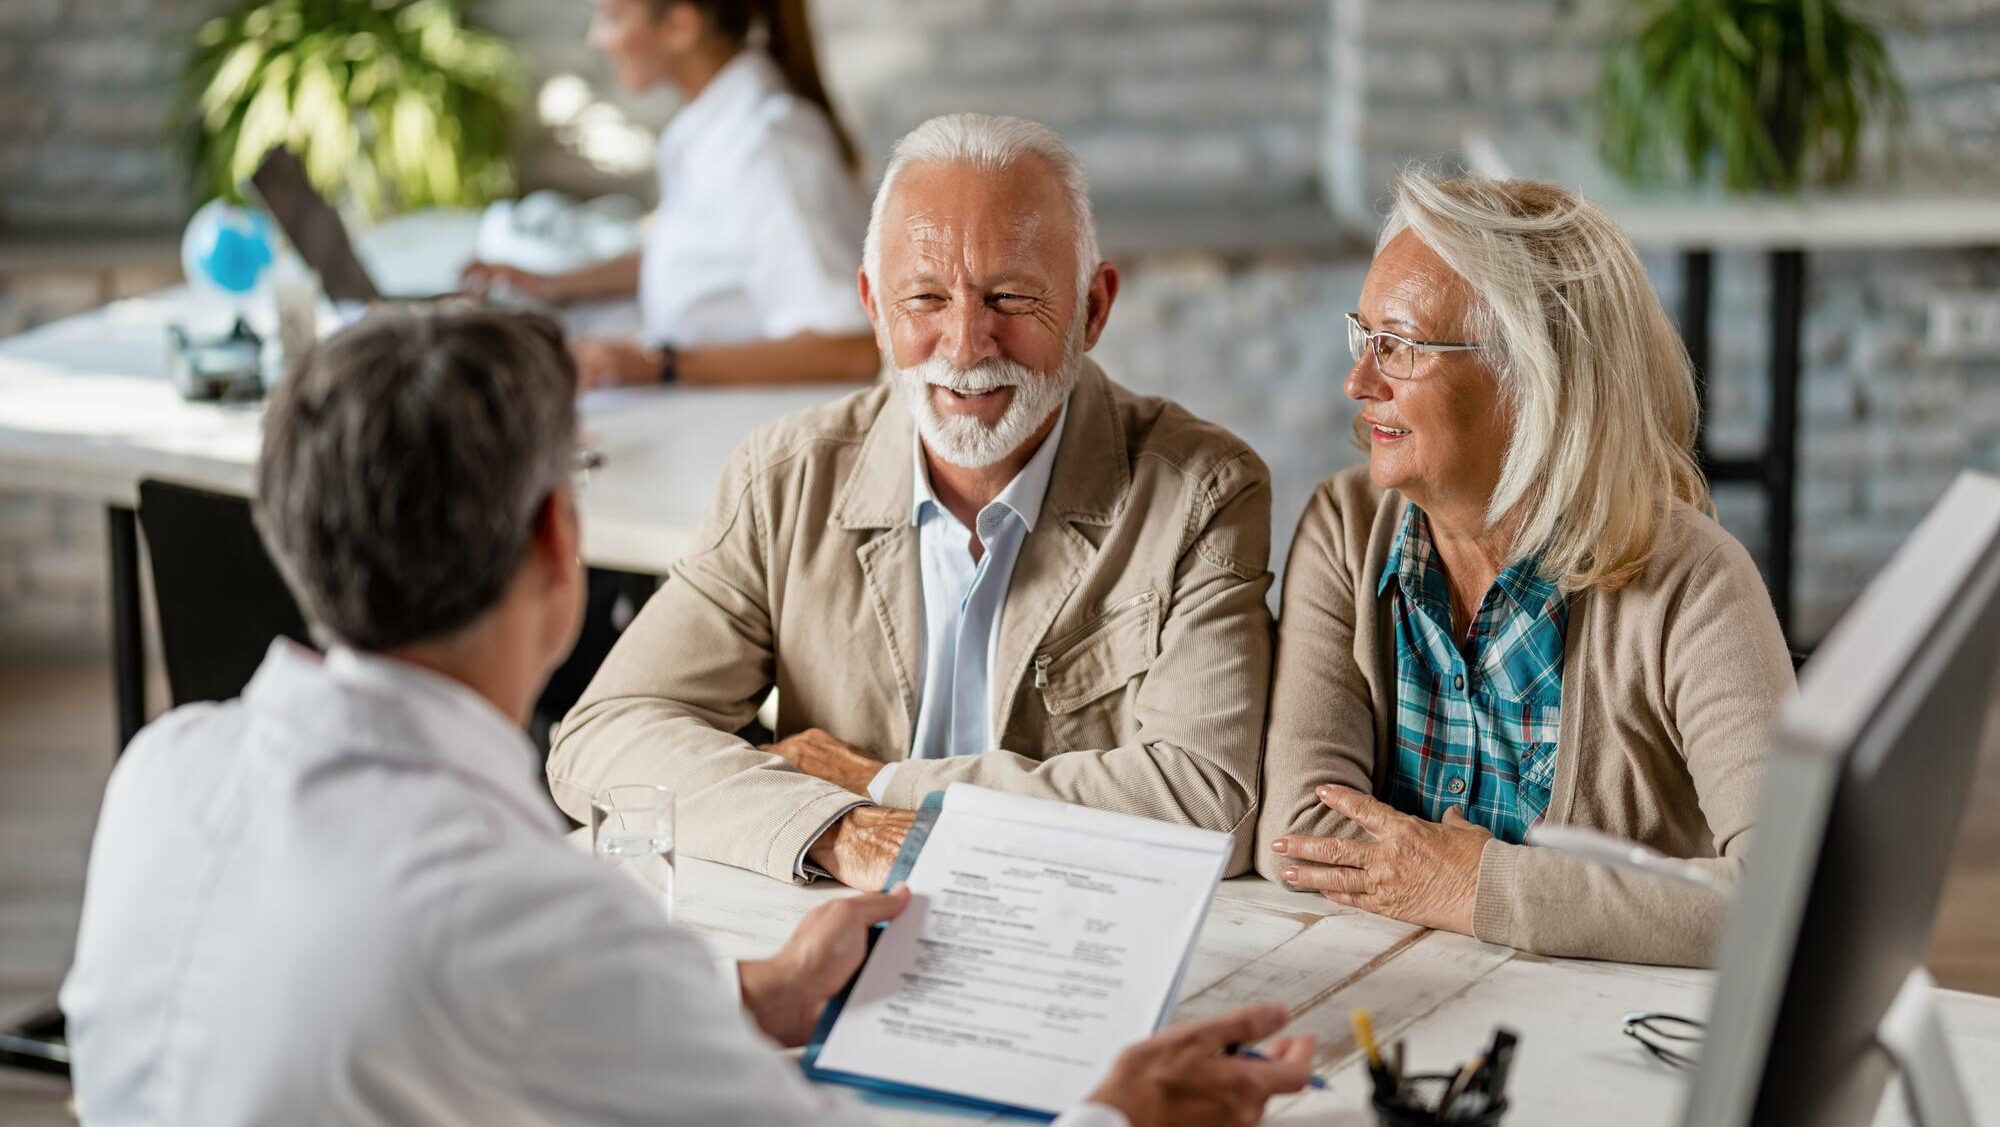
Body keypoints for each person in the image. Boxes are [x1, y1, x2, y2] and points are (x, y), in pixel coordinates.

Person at [58, 306, 1312, 1126]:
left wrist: (749, 997)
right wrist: (1114, 1113)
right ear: (560, 539)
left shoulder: (165, 772)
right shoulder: (524, 911)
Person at [547, 113, 1276, 890]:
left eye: (1011, 297)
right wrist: (840, 832)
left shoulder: (1205, 492)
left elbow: (1208, 808)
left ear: (1094, 309)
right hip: (834, 928)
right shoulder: (786, 477)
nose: (965, 345)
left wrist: (880, 785)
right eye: (926, 298)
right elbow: (605, 737)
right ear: (873, 307)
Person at [1255, 172, 1796, 968]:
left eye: (1398, 346)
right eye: (1361, 335)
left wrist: (1482, 887)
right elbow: (1298, 837)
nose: (1358, 381)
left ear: (1529, 377)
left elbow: (1788, 897)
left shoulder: (1697, 585)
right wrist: (1545, 893)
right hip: (1400, 999)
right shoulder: (1345, 530)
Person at [461, 0, 878, 389]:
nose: (596, 39)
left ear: (680, 26)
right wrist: (551, 284)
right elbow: (695, 256)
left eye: (613, 18)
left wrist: (658, 364)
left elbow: (851, 349)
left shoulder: (768, 146)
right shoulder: (709, 125)